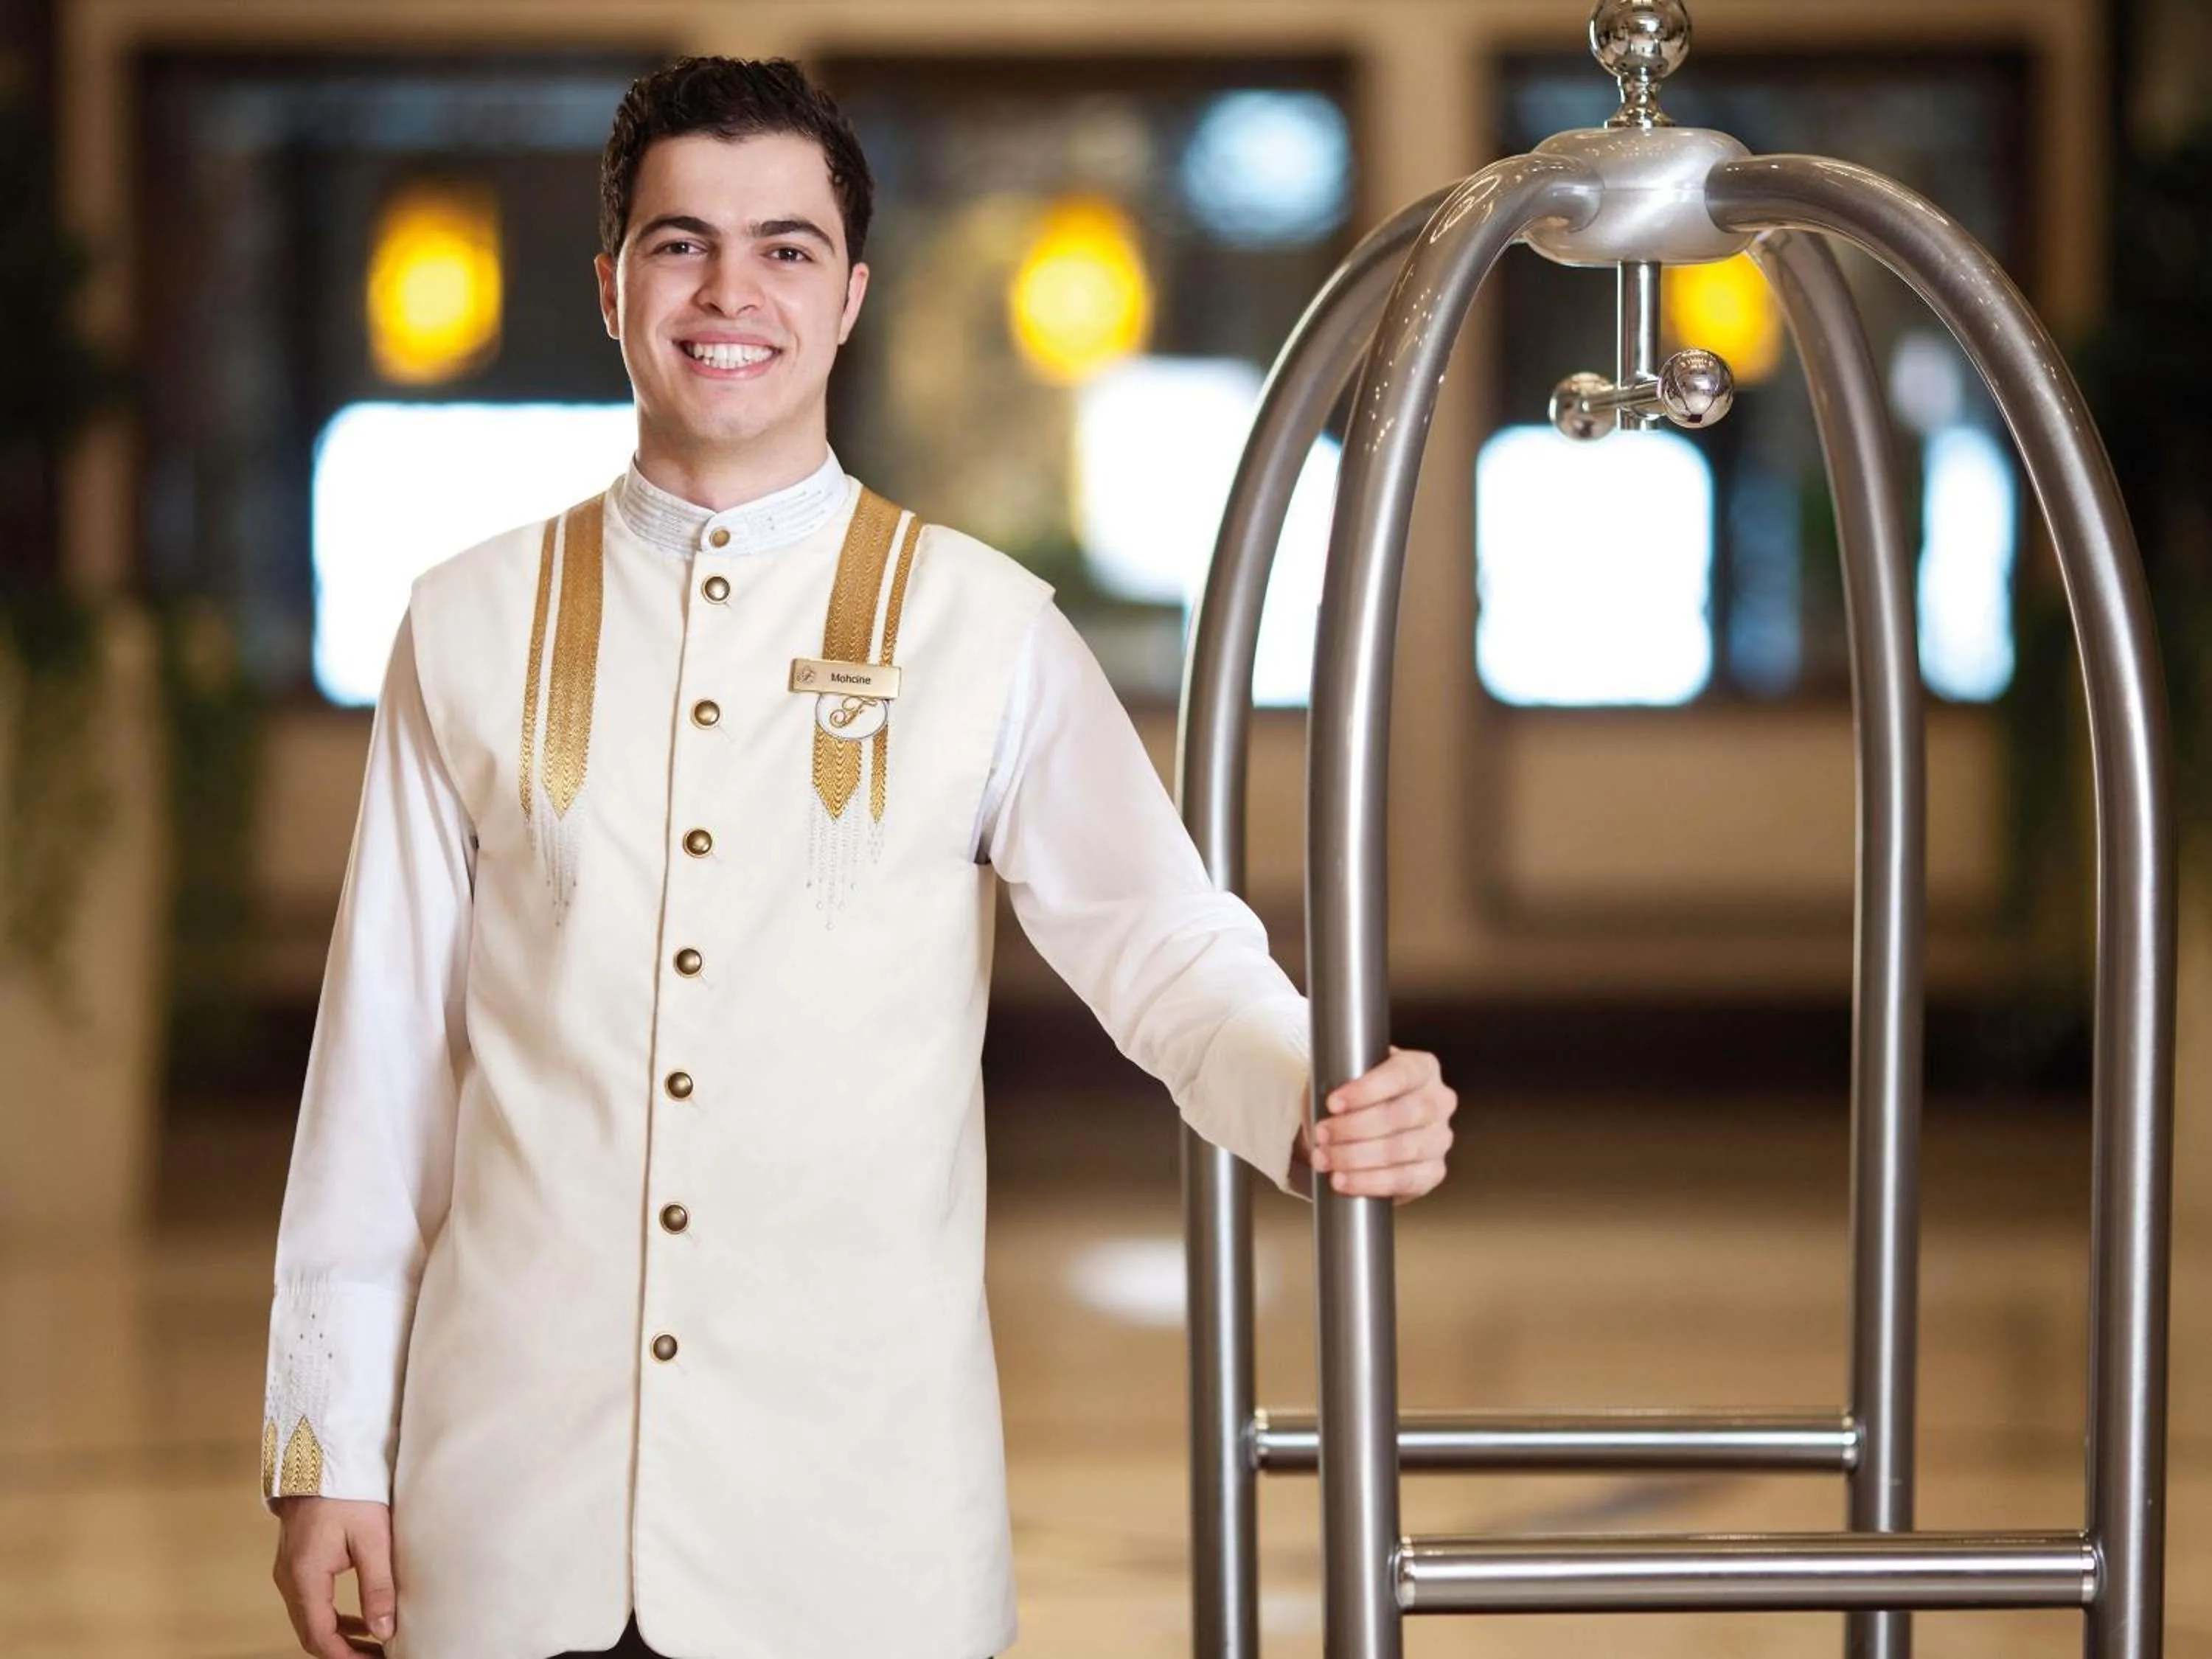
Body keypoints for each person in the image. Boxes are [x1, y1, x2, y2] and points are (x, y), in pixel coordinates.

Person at [263, 56, 1458, 1659]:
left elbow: (1166, 948)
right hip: (506, 1519)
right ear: (611, 287)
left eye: (787, 247)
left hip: (859, 1535)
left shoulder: (987, 629)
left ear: (850, 299)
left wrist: (1318, 1093)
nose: (730, 291)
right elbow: (381, 1064)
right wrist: (329, 1446)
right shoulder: (463, 623)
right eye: (682, 244)